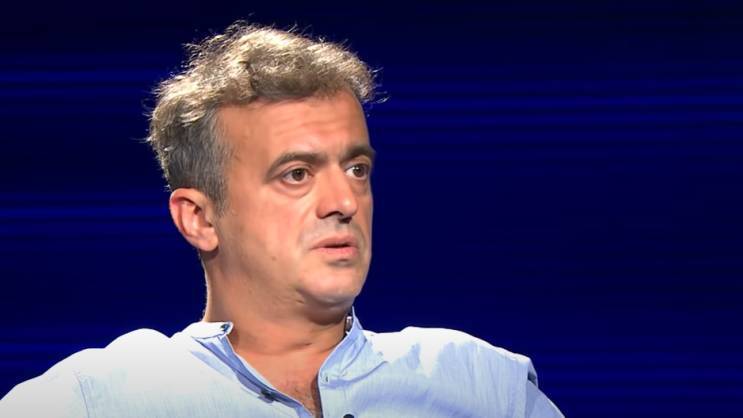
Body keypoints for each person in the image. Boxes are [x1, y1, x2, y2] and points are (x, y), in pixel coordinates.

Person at [0, 22, 563, 418]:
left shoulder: (484, 388)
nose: (344, 201)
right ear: (198, 218)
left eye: (357, 169)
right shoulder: (96, 400)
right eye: (297, 174)